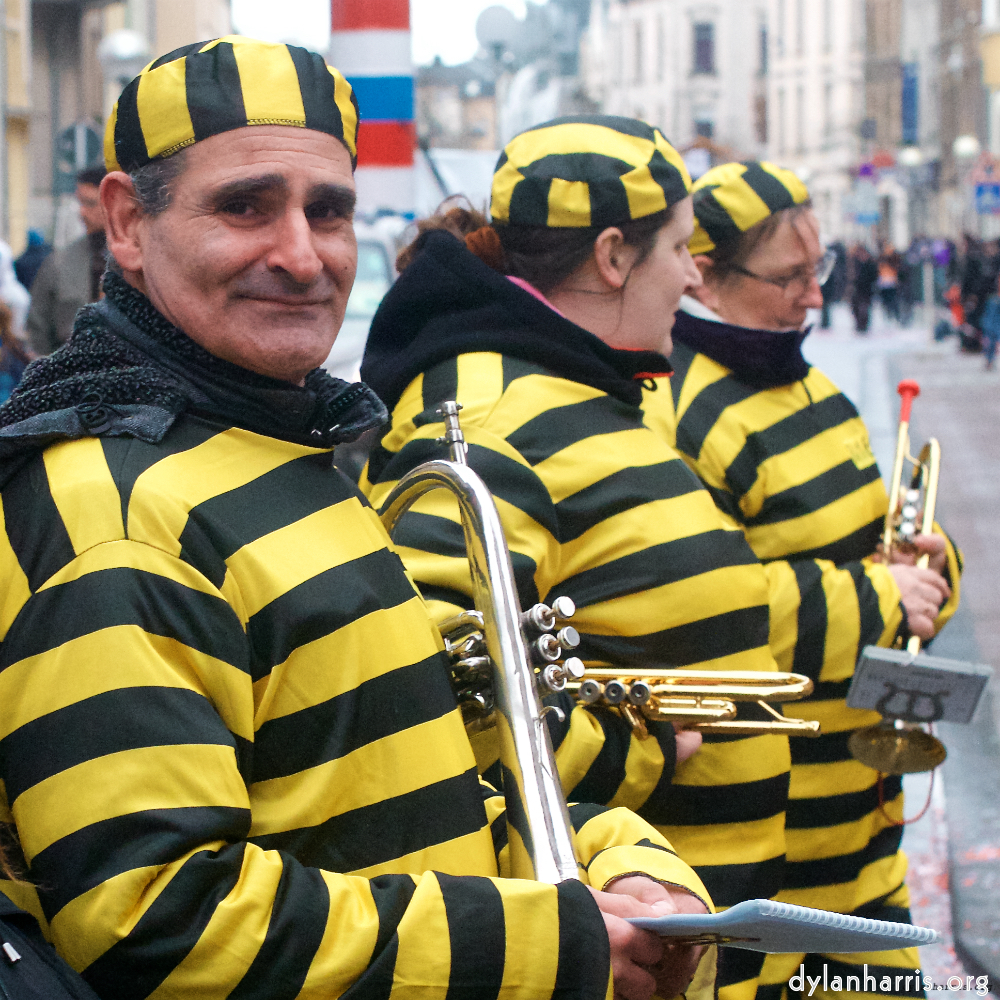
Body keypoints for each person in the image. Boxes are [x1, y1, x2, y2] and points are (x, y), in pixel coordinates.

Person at [0, 40, 714, 1000]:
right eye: (245, 205)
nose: (301, 256)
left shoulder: (279, 449)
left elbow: (410, 787)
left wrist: (620, 862)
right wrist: (550, 943)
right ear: (128, 223)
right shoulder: (114, 509)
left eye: (327, 211)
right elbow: (155, 922)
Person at [360, 116, 793, 1000]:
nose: (693, 273)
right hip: (631, 937)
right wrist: (644, 756)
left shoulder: (581, 388)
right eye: (678, 247)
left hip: (695, 928)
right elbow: (438, 688)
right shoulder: (493, 419)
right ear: (611, 255)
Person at [661, 160, 961, 1000]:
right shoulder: (684, 409)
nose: (815, 297)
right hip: (775, 845)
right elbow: (707, 608)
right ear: (706, 280)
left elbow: (876, 537)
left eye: (817, 270)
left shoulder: (810, 385)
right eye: (789, 277)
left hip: (862, 830)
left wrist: (935, 564)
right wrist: (879, 599)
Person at [26, 165, 107, 355]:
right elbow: (37, 330)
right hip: (68, 372)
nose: (82, 212)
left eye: (90, 203)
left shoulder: (140, 258)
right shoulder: (58, 263)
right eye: (80, 203)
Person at [849, 243, 877, 334]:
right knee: (856, 308)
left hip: (866, 290)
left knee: (864, 308)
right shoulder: (855, 262)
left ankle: (863, 326)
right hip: (857, 289)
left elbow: (874, 276)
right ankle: (859, 325)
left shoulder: (870, 263)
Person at [977, 272, 1000, 370]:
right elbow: (988, 316)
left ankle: (990, 361)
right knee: (990, 342)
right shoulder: (992, 300)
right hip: (991, 326)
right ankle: (989, 361)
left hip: (995, 326)